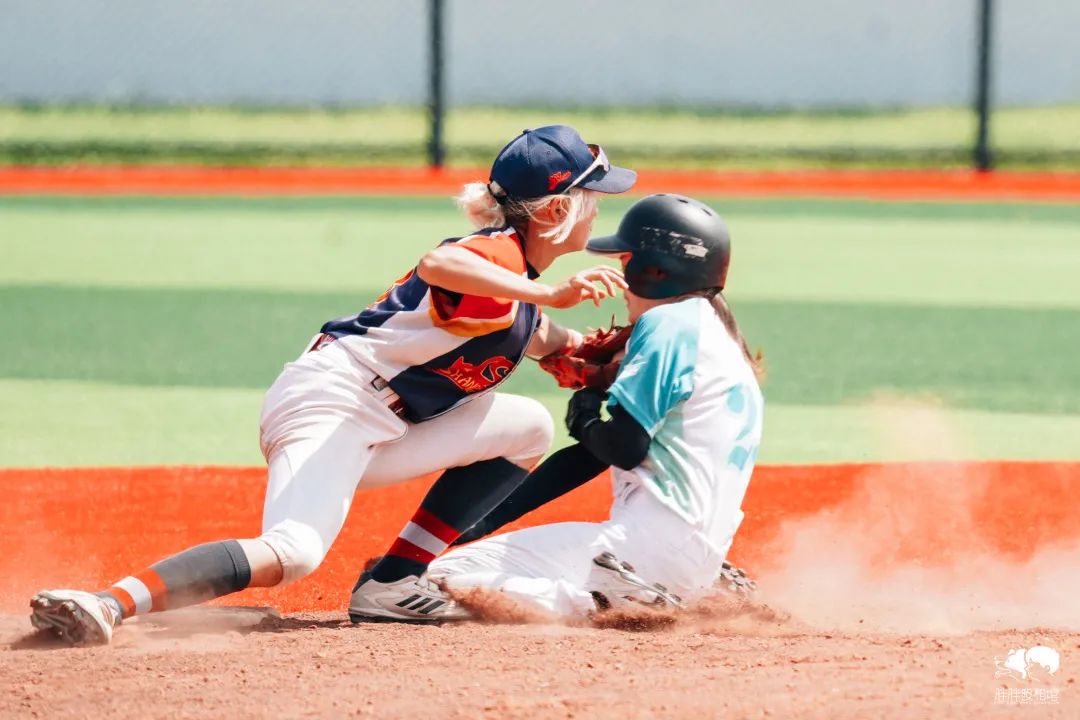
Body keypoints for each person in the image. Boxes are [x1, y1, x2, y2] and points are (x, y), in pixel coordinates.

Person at [29, 125, 636, 644]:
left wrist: (596, 356)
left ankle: (393, 582)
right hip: (332, 402)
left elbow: (551, 340)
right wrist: (546, 292)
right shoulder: (494, 256)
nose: (599, 207)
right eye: (592, 195)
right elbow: (439, 265)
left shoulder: (517, 290)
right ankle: (108, 604)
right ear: (556, 209)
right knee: (292, 553)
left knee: (526, 426)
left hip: (384, 423)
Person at [380, 193, 765, 620]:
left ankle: (602, 600)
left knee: (438, 578)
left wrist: (584, 406)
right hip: (691, 553)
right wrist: (478, 525)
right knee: (457, 564)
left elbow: (621, 446)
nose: (621, 278)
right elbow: (589, 457)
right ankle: (677, 590)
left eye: (625, 262)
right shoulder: (719, 338)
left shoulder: (666, 323)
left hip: (648, 546)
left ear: (655, 270)